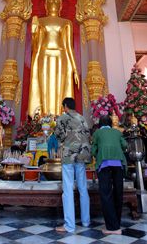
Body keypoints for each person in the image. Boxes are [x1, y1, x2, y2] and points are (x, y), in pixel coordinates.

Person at [28, 0, 79, 116]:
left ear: (61, 6)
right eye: (50, 1)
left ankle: (59, 115)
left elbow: (69, 46)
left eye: (56, 1)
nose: (53, 3)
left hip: (61, 56)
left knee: (59, 88)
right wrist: (34, 31)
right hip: (44, 55)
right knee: (44, 86)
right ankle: (43, 116)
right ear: (46, 4)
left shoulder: (66, 22)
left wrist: (74, 69)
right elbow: (35, 46)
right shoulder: (40, 21)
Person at [54, 97, 91, 233]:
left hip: (69, 155)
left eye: (63, 106)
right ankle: (86, 221)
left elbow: (58, 136)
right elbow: (87, 134)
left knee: (68, 189)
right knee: (82, 188)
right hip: (82, 155)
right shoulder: (82, 118)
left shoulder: (63, 118)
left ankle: (69, 225)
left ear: (65, 106)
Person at [92, 114, 127, 235]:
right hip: (119, 164)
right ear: (111, 124)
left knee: (106, 194)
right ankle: (117, 222)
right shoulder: (117, 132)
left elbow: (93, 150)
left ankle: (112, 227)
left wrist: (97, 155)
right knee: (118, 192)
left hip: (104, 164)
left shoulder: (97, 133)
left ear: (100, 125)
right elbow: (125, 145)